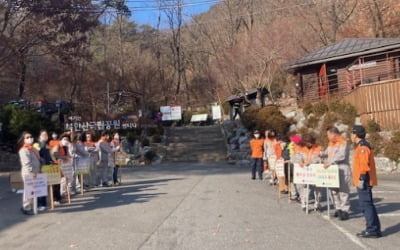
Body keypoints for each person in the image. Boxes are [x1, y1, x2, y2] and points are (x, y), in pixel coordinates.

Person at [351, 125, 381, 238]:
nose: (351, 136)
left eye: (352, 133)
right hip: (365, 180)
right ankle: (375, 229)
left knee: (366, 205)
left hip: (364, 180)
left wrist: (361, 179)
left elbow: (364, 165)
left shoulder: (362, 147)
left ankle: (372, 229)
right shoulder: (361, 146)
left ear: (356, 134)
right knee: (369, 205)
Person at [323, 126, 351, 220]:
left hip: (342, 168)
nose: (327, 137)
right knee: (333, 191)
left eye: (328, 135)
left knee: (343, 191)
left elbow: (341, 155)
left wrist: (330, 162)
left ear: (333, 134)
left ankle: (345, 210)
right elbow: (326, 153)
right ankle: (338, 208)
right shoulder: (331, 143)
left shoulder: (343, 142)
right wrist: (319, 154)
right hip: (332, 169)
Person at [297, 134, 323, 212]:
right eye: (306, 142)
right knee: (304, 188)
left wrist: (311, 162)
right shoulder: (302, 149)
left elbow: (321, 159)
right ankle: (304, 204)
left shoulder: (318, 148)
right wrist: (300, 161)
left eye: (310, 142)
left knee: (318, 189)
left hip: (316, 171)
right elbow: (298, 157)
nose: (308, 144)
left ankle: (317, 204)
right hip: (305, 172)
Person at [18, 132, 41, 215]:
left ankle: (31, 206)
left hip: (35, 172)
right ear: (24, 140)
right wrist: (32, 172)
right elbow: (27, 163)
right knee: (29, 190)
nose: (30, 138)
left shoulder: (33, 149)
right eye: (27, 137)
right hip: (29, 173)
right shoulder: (23, 150)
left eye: (31, 137)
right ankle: (26, 207)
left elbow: (37, 160)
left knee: (33, 190)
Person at [33, 130, 53, 211]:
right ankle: (39, 204)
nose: (46, 136)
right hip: (40, 168)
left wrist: (51, 161)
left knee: (44, 186)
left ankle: (44, 204)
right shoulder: (36, 144)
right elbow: (37, 155)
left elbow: (49, 155)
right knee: (39, 186)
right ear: (39, 136)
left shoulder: (47, 145)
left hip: (47, 167)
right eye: (44, 135)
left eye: (46, 134)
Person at [51, 133, 73, 200]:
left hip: (65, 166)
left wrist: (69, 157)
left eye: (67, 139)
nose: (66, 140)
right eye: (64, 139)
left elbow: (68, 155)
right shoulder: (57, 146)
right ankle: (61, 194)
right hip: (56, 166)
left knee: (66, 179)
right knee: (60, 181)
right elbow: (55, 155)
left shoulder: (66, 147)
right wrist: (64, 157)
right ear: (61, 139)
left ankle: (65, 193)